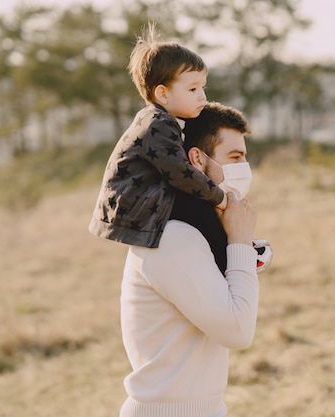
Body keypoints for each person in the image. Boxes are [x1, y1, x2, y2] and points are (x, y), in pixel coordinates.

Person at [119, 102, 261, 417]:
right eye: (235, 158)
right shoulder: (172, 237)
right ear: (196, 159)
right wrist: (239, 240)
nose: (244, 168)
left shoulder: (194, 229)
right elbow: (238, 331)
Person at [88, 24, 227, 249]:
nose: (202, 96)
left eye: (203, 88)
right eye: (193, 90)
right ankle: (229, 253)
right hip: (135, 205)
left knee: (198, 201)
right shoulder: (158, 124)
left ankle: (226, 247)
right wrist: (220, 197)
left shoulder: (160, 119)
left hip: (142, 200)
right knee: (199, 202)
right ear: (163, 93)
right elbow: (181, 174)